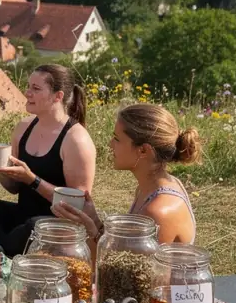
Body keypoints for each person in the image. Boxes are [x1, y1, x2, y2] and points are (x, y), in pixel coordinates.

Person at [0, 64, 96, 257]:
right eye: (28, 86)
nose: (27, 92)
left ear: (58, 96)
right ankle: (1, 245)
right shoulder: (24, 127)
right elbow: (13, 188)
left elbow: (77, 206)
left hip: (55, 226)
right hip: (22, 216)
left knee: (30, 228)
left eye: (36, 89)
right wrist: (0, 169)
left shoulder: (76, 139)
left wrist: (33, 180)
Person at [52, 103, 199, 244]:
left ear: (143, 151)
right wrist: (93, 219)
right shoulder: (148, 189)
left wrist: (91, 231)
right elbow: (126, 251)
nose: (110, 144)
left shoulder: (158, 211)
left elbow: (133, 269)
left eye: (117, 138)